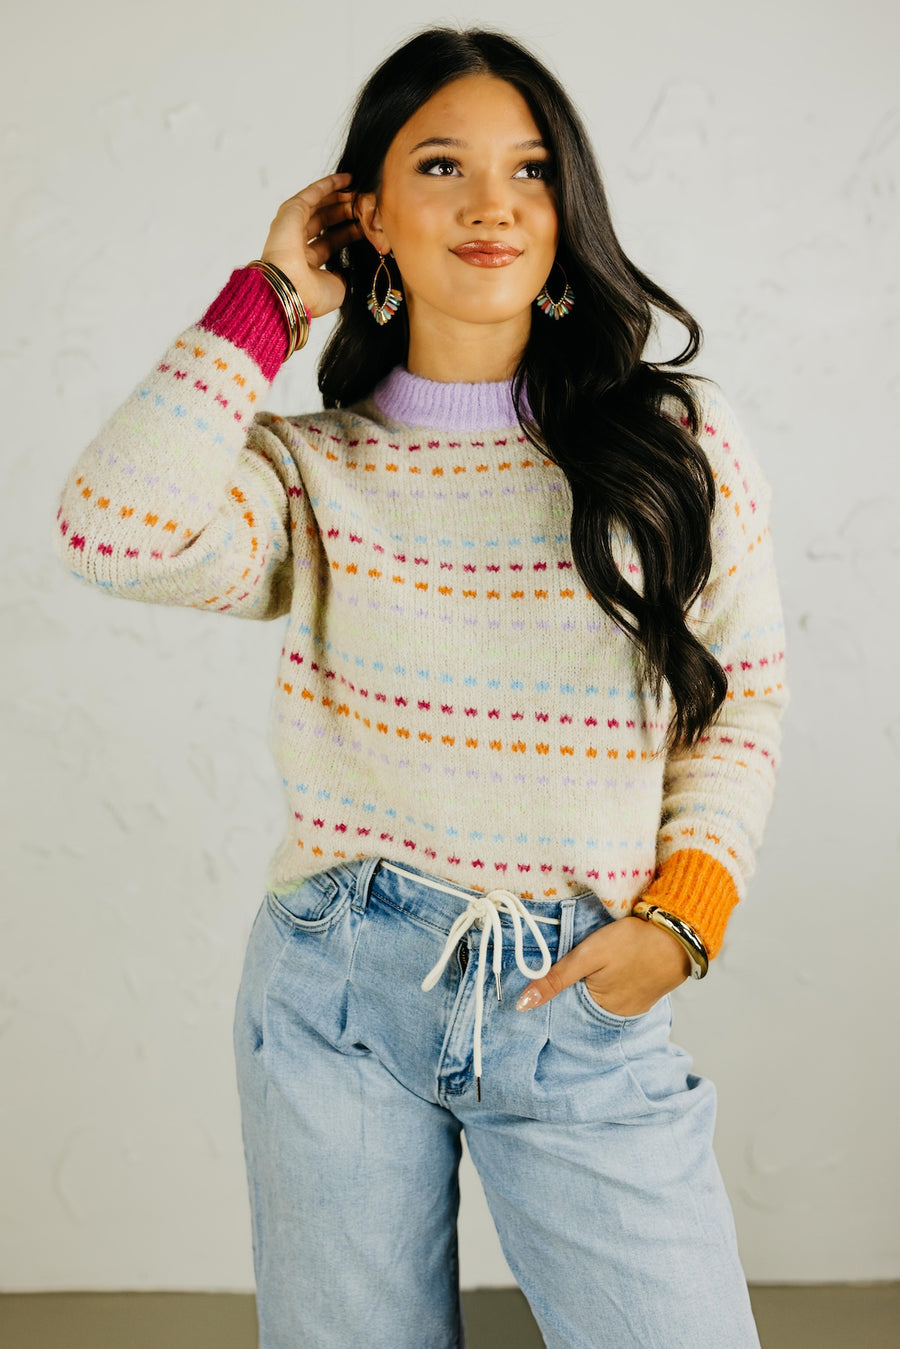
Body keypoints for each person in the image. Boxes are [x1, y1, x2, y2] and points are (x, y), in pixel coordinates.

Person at [54, 26, 786, 1349]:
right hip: (333, 983)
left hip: (577, 979)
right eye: (441, 165)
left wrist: (683, 917)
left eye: (530, 169)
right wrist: (269, 296)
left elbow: (741, 698)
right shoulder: (309, 468)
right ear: (367, 215)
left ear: (568, 209)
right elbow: (110, 527)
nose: (493, 202)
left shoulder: (674, 439)